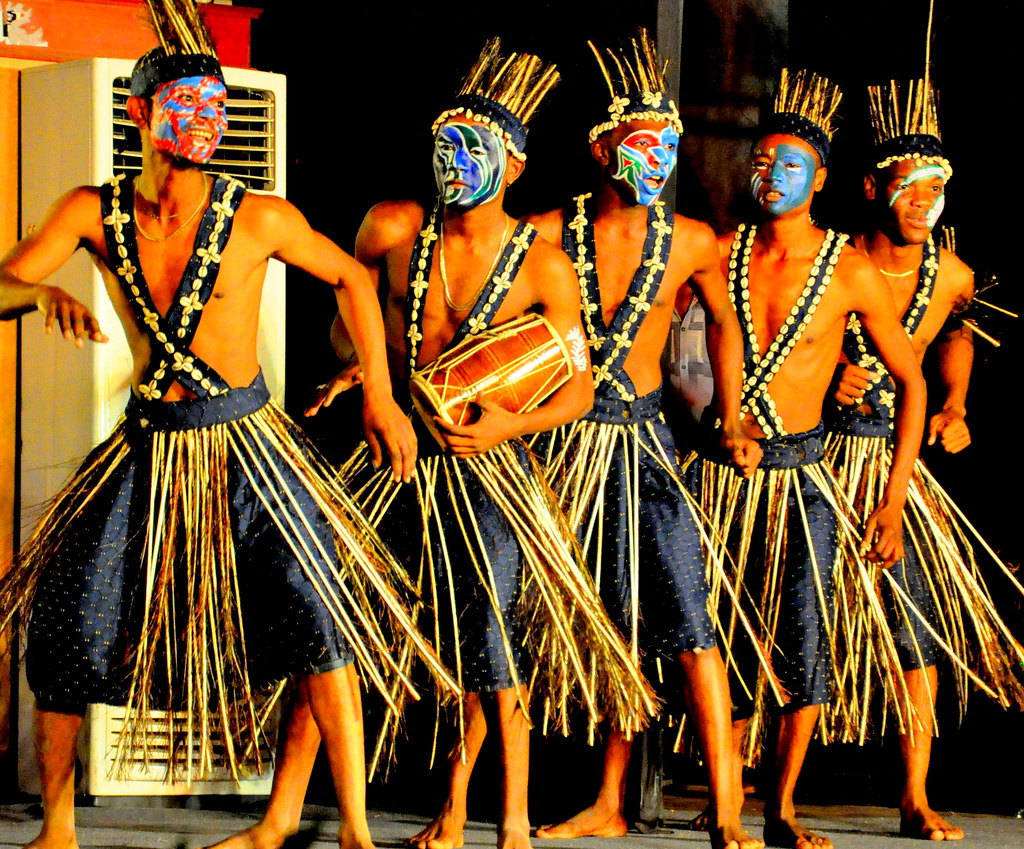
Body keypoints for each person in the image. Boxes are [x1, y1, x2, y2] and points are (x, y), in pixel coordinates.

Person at [0, 5, 456, 848]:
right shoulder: (91, 212)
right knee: (67, 613)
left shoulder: (259, 217)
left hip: (250, 450)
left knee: (320, 617)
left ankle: (353, 830)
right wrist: (41, 291)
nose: (206, 123)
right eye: (186, 106)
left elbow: (355, 278)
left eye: (217, 109)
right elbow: (0, 281)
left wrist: (384, 397)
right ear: (139, 114)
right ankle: (58, 828)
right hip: (146, 448)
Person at [257, 40, 653, 849]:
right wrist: (363, 379)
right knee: (331, 627)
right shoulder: (393, 228)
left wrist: (510, 424)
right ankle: (282, 817)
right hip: (393, 457)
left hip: (488, 469)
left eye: (473, 150)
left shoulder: (546, 268)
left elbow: (576, 388)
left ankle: (507, 820)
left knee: (491, 647)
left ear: (512, 166)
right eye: (444, 147)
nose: (454, 164)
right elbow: (348, 322)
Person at [523, 31, 762, 849]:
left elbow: (728, 327)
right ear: (603, 149)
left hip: (648, 449)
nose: (658, 160)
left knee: (689, 622)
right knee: (568, 623)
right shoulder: (550, 233)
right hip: (559, 444)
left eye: (669, 146)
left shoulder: (692, 240)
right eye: (642, 145)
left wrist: (731, 414)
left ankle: (729, 812)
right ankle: (602, 800)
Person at [685, 69, 928, 849]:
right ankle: (727, 795)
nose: (769, 176)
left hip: (804, 477)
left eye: (787, 165)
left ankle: (780, 806)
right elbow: (668, 348)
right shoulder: (715, 254)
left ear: (820, 179)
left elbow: (912, 379)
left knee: (802, 642)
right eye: (759, 162)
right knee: (709, 632)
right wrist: (709, 414)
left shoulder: (847, 269)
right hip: (720, 472)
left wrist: (892, 498)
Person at [823, 79, 1024, 842]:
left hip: (895, 467)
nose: (924, 200)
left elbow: (956, 333)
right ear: (875, 187)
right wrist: (821, 385)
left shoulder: (953, 275)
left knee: (914, 638)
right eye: (911, 185)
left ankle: (913, 793)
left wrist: (954, 405)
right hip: (813, 458)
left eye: (937, 187)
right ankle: (740, 784)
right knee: (789, 621)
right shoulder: (833, 263)